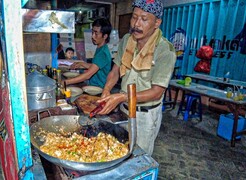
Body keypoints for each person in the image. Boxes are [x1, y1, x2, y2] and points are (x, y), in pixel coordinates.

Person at [97, 0, 176, 156]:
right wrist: (106, 89)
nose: (136, 24)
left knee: (139, 158)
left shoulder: (165, 50)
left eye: (144, 19)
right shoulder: (127, 40)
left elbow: (156, 92)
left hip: (144, 116)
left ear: (157, 23)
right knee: (117, 152)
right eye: (134, 17)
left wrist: (121, 97)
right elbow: (115, 71)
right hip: (123, 110)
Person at [63, 18, 112, 88]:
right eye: (92, 32)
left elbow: (88, 75)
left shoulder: (102, 53)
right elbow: (96, 66)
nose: (92, 36)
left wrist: (65, 82)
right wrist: (82, 64)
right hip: (94, 86)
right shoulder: (101, 48)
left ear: (105, 36)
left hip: (98, 89)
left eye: (96, 33)